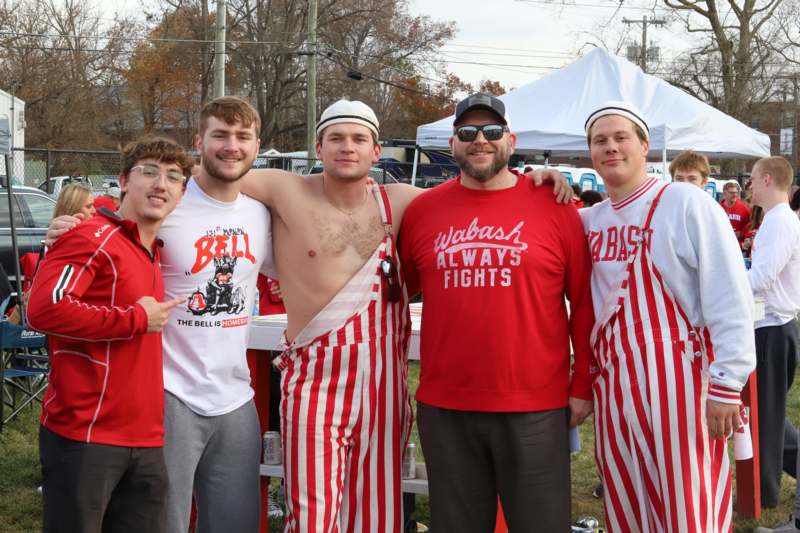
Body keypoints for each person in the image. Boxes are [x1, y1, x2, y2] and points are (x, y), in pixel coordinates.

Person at [240, 97, 573, 532]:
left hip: (383, 386)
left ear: (376, 151)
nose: (348, 147)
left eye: (360, 139)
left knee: (379, 513)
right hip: (315, 383)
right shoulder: (284, 189)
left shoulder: (403, 201)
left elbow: (480, 191)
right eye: (336, 138)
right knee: (313, 515)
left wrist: (533, 179)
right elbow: (220, 170)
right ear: (318, 147)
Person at [46, 96, 275, 533]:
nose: (231, 146)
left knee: (237, 522)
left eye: (242, 136)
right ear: (199, 142)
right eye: (219, 135)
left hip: (235, 394)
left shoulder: (261, 213)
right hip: (167, 391)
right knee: (160, 522)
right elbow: (110, 227)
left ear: (256, 145)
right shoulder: (168, 202)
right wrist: (67, 228)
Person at [398, 93, 595, 532]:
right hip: (446, 405)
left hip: (534, 404)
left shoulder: (557, 206)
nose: (480, 141)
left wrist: (582, 382)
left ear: (511, 140)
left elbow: (583, 301)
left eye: (491, 131)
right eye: (467, 133)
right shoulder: (422, 211)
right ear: (452, 144)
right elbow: (404, 289)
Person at [581, 101, 756, 531]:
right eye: (600, 141)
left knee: (688, 507)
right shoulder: (587, 220)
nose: (611, 147)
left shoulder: (683, 201)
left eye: (621, 137)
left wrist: (728, 384)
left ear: (644, 145)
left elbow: (729, 293)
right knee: (627, 504)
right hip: (615, 386)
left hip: (681, 385)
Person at [27, 136, 190, 533]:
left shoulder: (154, 249)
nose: (160, 184)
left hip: (146, 437)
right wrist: (133, 319)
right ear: (122, 180)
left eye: (173, 177)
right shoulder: (90, 236)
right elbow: (44, 308)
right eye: (148, 172)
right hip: (85, 434)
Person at [746, 156, 800, 517]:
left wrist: (726, 289)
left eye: (751, 179)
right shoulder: (778, 220)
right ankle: (765, 488)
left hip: (774, 328)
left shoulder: (780, 222)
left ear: (767, 180)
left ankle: (764, 494)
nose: (749, 186)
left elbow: (760, 281)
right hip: (771, 326)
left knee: (765, 416)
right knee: (768, 413)